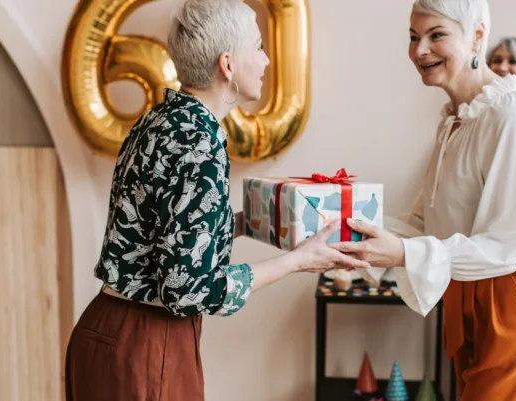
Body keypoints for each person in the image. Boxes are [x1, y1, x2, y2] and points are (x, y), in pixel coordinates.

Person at [63, 1, 367, 400]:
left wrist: (244, 222)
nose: (267, 60)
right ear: (227, 64)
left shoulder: (156, 120)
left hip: (101, 332)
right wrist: (298, 261)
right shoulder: (200, 142)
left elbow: (168, 231)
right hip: (148, 346)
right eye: (257, 47)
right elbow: (187, 288)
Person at [329, 0, 516, 399]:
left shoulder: (515, 115)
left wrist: (403, 254)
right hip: (470, 296)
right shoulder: (455, 122)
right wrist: (341, 232)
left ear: (478, 35)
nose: (419, 50)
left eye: (437, 35)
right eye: (413, 37)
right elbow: (428, 225)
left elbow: (507, 244)